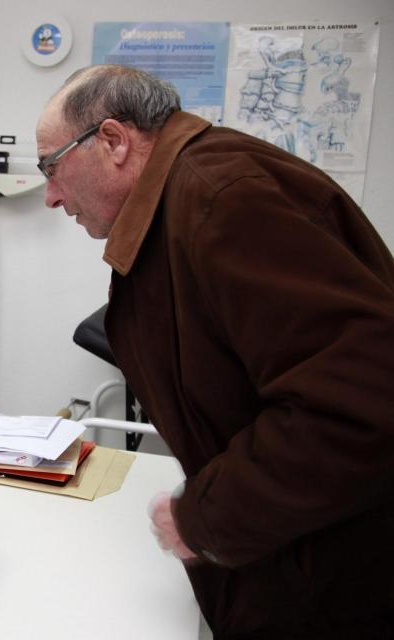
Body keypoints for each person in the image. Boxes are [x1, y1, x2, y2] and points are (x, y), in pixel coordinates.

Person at [36, 64, 394, 638]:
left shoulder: (223, 200)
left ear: (112, 141)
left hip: (333, 579)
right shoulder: (188, 194)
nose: (51, 196)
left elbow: (357, 407)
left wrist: (203, 518)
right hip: (291, 556)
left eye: (51, 167)